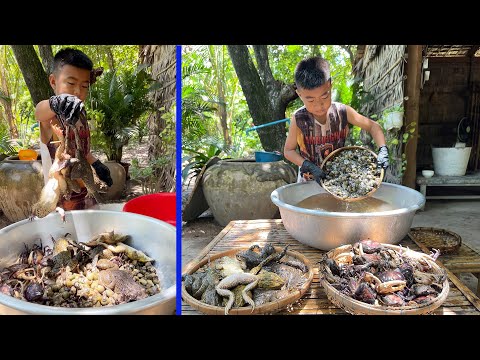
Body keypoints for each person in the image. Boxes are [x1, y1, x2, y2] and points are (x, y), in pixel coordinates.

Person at [284, 56, 389, 184]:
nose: (318, 105)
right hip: (308, 181)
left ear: (330, 85)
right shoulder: (299, 118)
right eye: (310, 100)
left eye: (324, 96)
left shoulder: (342, 112)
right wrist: (307, 165)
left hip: (339, 180)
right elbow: (288, 151)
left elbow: (373, 127)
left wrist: (383, 149)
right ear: (300, 94)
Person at [35, 48, 112, 210]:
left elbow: (82, 151)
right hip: (63, 195)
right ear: (53, 82)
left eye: (84, 86)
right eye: (71, 83)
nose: (78, 91)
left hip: (86, 188)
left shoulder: (81, 112)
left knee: (95, 232)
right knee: (68, 235)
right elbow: (39, 111)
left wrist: (97, 164)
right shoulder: (51, 114)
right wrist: (56, 103)